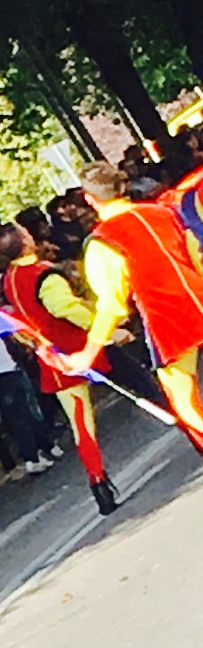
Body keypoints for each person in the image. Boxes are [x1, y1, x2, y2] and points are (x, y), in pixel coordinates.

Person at [69, 159, 203, 455]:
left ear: (90, 200)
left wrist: (89, 352)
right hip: (199, 294)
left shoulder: (103, 242)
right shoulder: (162, 212)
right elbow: (196, 253)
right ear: (122, 186)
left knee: (185, 402)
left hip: (169, 320)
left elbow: (111, 305)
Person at [0, 218, 118, 517]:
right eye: (26, 233)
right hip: (83, 346)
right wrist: (104, 325)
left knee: (82, 425)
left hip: (52, 358)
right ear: (26, 242)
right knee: (143, 384)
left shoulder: (8, 279)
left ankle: (98, 481)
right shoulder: (43, 275)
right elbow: (64, 308)